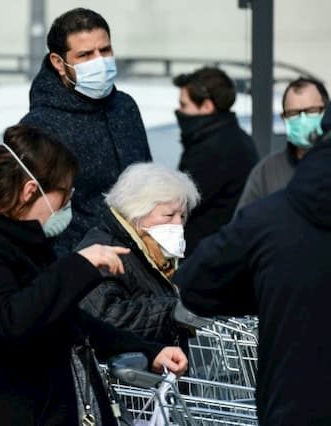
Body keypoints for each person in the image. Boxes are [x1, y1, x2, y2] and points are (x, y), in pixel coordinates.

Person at [0, 124, 187, 426]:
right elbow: (9, 321)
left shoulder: (19, 240)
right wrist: (79, 265)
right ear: (31, 191)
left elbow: (68, 320)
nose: (67, 206)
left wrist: (150, 350)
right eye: (64, 195)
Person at [175, 106, 331, 425]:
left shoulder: (269, 220)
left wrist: (268, 293)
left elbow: (195, 285)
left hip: (294, 408)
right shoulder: (270, 204)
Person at [20, 7, 151, 255]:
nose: (99, 61)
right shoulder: (39, 126)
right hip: (79, 266)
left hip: (137, 259)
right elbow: (36, 217)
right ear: (59, 63)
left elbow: (147, 180)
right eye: (85, 55)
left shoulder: (125, 107)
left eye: (105, 50)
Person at [77, 163, 200, 350]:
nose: (178, 224)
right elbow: (105, 318)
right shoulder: (105, 251)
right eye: (169, 215)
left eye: (182, 216)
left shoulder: (153, 253)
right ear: (136, 213)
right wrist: (171, 313)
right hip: (129, 375)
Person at [173, 66, 259, 256]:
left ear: (207, 106)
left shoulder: (212, 150)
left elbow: (182, 202)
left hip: (207, 257)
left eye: (184, 105)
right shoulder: (233, 137)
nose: (179, 111)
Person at [236, 77, 329, 210]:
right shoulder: (266, 172)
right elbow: (243, 225)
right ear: (284, 118)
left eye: (311, 111)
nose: (302, 120)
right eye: (293, 113)